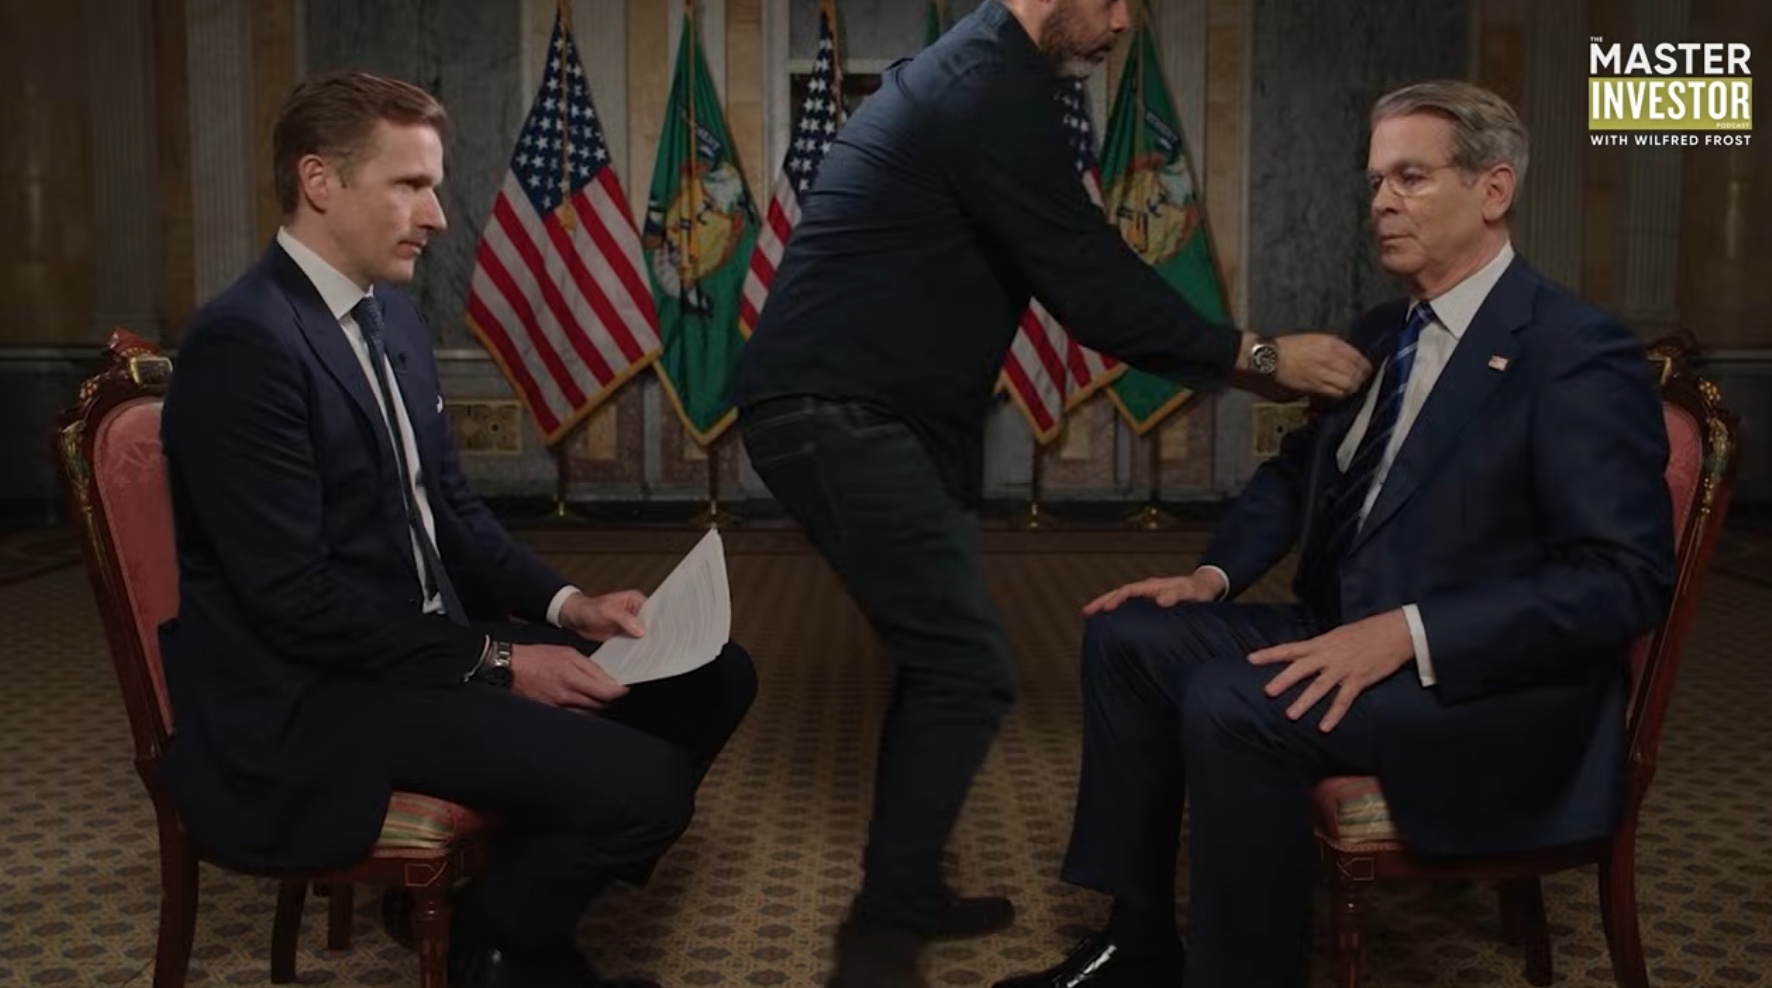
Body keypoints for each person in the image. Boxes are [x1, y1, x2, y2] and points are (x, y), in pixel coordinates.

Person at [729, 1, 1371, 985]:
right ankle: (876, 953)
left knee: (935, 657)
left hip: (874, 412)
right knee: (965, 663)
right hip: (837, 411)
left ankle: (905, 888)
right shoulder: (983, 86)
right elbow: (1089, 281)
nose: (1120, 23)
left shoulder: (986, 73)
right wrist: (1257, 356)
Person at [994, 79, 1678, 988]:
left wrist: (1407, 634)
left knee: (1232, 701)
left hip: (1486, 688)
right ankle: (1141, 940)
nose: (1382, 202)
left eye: (1411, 177)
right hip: (1345, 626)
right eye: (1375, 182)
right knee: (1130, 637)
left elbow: (1623, 580)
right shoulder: (1385, 330)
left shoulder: (1573, 351)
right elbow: (1297, 474)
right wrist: (1210, 579)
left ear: (1494, 190)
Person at [158, 71, 755, 988]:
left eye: (433, 187)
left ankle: (493, 906)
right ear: (320, 181)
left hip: (423, 647)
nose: (437, 216)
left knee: (715, 677)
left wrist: (571, 606)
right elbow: (294, 602)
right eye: (410, 184)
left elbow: (453, 513)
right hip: (319, 695)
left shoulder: (392, 314)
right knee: (648, 791)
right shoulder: (243, 344)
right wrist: (505, 662)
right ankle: (505, 947)